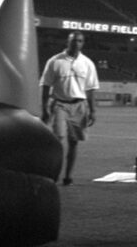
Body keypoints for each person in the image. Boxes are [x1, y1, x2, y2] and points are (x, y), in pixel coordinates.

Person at [39, 31, 100, 186]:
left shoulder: (87, 63)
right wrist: (45, 107)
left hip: (79, 105)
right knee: (58, 139)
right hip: (60, 103)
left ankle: (68, 176)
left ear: (82, 43)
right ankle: (54, 174)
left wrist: (93, 110)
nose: (76, 43)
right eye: (73, 41)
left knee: (74, 142)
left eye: (79, 41)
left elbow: (91, 89)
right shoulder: (55, 61)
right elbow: (46, 85)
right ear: (67, 42)